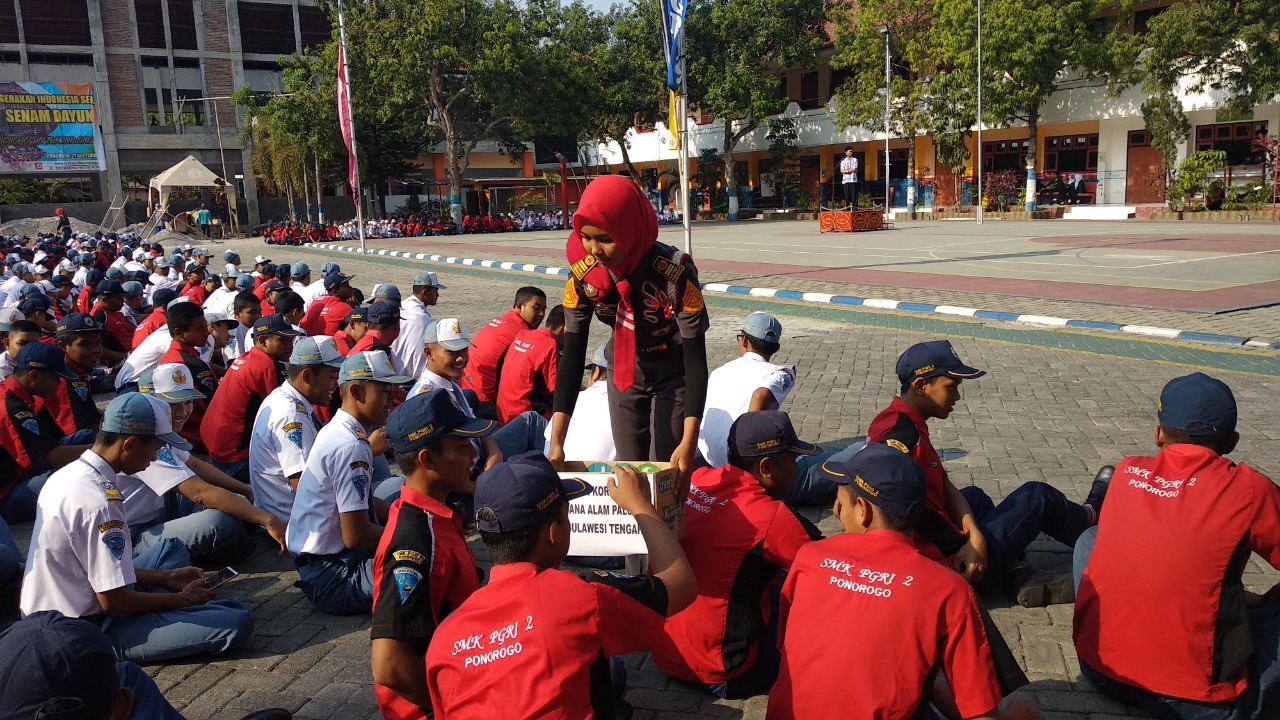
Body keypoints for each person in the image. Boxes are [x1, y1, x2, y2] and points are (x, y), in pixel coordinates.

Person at [766, 443, 1037, 720]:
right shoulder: (947, 590)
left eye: (840, 502)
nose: (836, 511)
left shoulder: (809, 557)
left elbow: (790, 648)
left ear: (863, 510)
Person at [424, 452, 697, 718]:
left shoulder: (443, 640)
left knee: (611, 671)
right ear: (554, 534)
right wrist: (641, 506)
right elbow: (680, 584)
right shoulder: (582, 597)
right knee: (610, 668)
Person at [1073, 373, 1280, 720]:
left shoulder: (1126, 471)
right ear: (1231, 442)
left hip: (1099, 670)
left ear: (1158, 435)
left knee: (1089, 539)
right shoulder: (1250, 489)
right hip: (1199, 701)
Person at [868, 340, 1109, 607]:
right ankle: (1092, 524)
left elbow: (943, 484)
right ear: (921, 386)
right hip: (946, 566)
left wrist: (974, 530)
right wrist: (972, 544)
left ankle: (1014, 572)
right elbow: (907, 516)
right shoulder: (902, 440)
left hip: (929, 543)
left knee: (976, 498)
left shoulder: (897, 419)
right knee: (1036, 497)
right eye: (952, 387)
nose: (957, 397)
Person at [20, 393, 255, 662]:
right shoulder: (101, 502)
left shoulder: (70, 474)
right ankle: (160, 615)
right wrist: (181, 601)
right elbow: (112, 601)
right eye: (155, 449)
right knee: (236, 620)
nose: (156, 458)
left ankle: (163, 604)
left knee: (170, 551)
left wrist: (166, 578)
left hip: (58, 607)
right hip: (83, 629)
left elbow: (89, 570)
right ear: (129, 444)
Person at [549, 175, 710, 479]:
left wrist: (689, 442)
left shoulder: (674, 273)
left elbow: (696, 362)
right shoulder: (585, 276)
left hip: (673, 369)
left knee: (667, 469)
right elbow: (571, 357)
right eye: (586, 236)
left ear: (631, 231)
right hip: (625, 368)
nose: (593, 249)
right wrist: (557, 442)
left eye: (605, 239)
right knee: (629, 469)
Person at [653, 411, 822, 698]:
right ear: (766, 467)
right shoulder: (771, 519)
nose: (797, 466)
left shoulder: (699, 477)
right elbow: (828, 569)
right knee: (808, 590)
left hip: (665, 655)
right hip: (725, 672)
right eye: (793, 459)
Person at [371, 390, 497, 720]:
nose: (473, 454)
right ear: (428, 460)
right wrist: (453, 710)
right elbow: (389, 665)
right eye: (460, 447)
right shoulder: (413, 540)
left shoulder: (432, 516)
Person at [285, 351, 413, 615]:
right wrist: (411, 537)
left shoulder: (341, 430)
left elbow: (364, 501)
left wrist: (411, 523)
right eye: (385, 391)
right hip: (334, 576)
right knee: (422, 566)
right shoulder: (351, 445)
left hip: (326, 565)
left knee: (405, 512)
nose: (394, 399)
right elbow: (356, 535)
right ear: (356, 391)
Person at [249, 337, 343, 525]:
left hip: (287, 510)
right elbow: (306, 488)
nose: (337, 383)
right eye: (333, 377)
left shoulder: (286, 397)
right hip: (295, 520)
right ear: (307, 376)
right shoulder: (291, 415)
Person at [0, 343, 94, 523]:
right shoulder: (11, 407)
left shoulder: (12, 392)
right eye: (55, 378)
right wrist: (107, 449)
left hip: (20, 471)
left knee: (87, 436)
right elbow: (55, 457)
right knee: (72, 481)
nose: (59, 384)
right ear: (33, 376)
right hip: (6, 497)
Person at [201, 315, 300, 481]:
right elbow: (284, 413)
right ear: (263, 340)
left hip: (216, 447)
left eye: (291, 339)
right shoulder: (267, 366)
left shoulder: (246, 357)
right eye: (283, 340)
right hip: (234, 456)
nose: (290, 345)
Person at [698, 312, 796, 467]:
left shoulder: (719, 371)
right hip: (739, 461)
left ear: (744, 340)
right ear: (775, 348)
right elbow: (760, 395)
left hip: (707, 454)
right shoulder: (777, 373)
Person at [462, 287, 547, 420]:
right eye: (536, 308)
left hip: (466, 388)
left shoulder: (504, 320)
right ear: (519, 306)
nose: (541, 314)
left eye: (544, 309)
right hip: (484, 401)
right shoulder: (521, 334)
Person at [157, 301, 220, 451]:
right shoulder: (182, 365)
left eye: (206, 326)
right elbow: (210, 408)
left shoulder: (180, 357)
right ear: (179, 333)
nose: (207, 332)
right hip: (198, 438)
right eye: (199, 329)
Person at [541, 345, 615, 462]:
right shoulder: (628, 408)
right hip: (601, 476)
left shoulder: (571, 400)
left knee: (531, 419)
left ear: (596, 373)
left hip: (555, 472)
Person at [496, 305, 565, 424]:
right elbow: (557, 389)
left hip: (503, 410)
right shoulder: (550, 345)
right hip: (525, 417)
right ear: (565, 329)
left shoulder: (523, 334)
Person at [47, 312, 105, 436]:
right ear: (63, 347)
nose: (95, 350)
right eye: (84, 344)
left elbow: (89, 412)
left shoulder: (76, 372)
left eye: (98, 342)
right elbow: (80, 433)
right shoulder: (63, 380)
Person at [392, 272, 444, 381]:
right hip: (411, 378)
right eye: (435, 291)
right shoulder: (422, 317)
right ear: (425, 292)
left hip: (395, 371)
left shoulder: (403, 305)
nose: (437, 295)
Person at [90, 279, 135, 365]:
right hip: (121, 363)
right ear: (105, 300)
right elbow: (98, 348)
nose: (123, 301)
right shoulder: (99, 316)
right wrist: (124, 357)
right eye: (119, 298)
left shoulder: (115, 312)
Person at [299, 271, 355, 337]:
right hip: (326, 344)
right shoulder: (344, 308)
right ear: (335, 292)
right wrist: (354, 307)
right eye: (346, 286)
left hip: (304, 340)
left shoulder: (318, 300)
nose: (350, 288)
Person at [222, 290, 264, 363]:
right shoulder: (237, 330)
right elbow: (234, 362)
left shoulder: (249, 328)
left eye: (259, 312)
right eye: (252, 312)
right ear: (238, 314)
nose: (258, 316)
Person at [0, 313, 36, 382]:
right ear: (7, 343)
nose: (29, 348)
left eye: (34, 344)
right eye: (2, 334)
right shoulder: (3, 367)